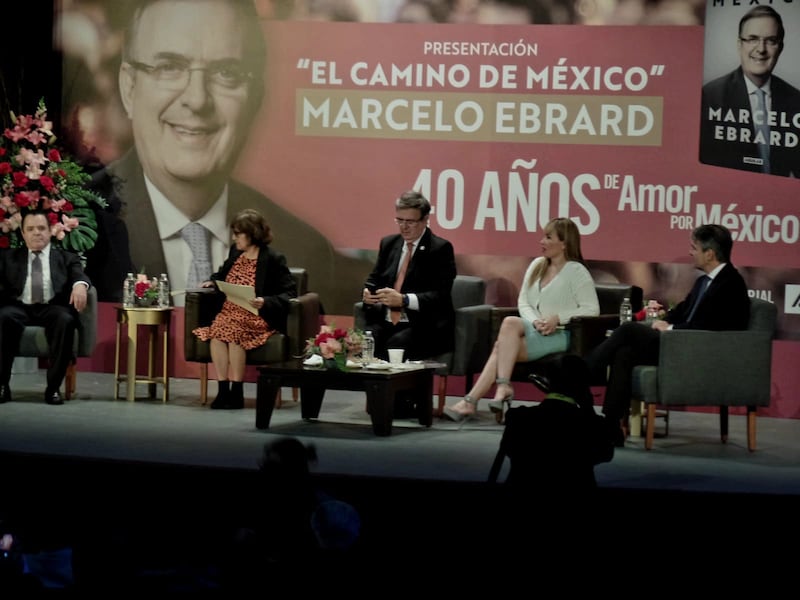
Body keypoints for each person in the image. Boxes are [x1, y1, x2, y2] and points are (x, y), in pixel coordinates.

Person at [85, 0, 371, 311]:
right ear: (128, 88)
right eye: (169, 68)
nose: (197, 100)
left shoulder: (305, 250)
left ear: (255, 100)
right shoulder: (73, 224)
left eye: (226, 72)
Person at [585, 223, 751, 444]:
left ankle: (581, 373)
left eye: (694, 248)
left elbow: (713, 328)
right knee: (624, 352)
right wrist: (663, 321)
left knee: (627, 330)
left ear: (709, 253)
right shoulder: (704, 282)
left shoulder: (731, 284)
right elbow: (681, 312)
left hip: (698, 352)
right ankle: (611, 427)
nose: (691, 253)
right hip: (679, 345)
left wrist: (671, 329)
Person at [443, 217, 599, 422]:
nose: (541, 241)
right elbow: (523, 302)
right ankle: (501, 387)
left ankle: (474, 400)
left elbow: (592, 309)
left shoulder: (577, 272)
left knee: (502, 347)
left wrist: (557, 318)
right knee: (509, 322)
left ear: (564, 243)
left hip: (560, 333)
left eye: (548, 237)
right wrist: (535, 321)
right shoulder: (537, 265)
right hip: (535, 328)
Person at [192, 209, 297, 409]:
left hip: (255, 314)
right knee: (217, 333)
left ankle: (237, 391)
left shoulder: (274, 258)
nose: (234, 238)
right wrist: (212, 282)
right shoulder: (235, 252)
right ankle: (224, 390)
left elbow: (289, 293)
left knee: (234, 332)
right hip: (230, 311)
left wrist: (265, 301)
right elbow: (221, 274)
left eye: (238, 233)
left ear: (252, 234)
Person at [0, 211, 91, 405]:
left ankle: (53, 388)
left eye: (41, 228)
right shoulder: (9, 258)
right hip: (18, 307)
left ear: (50, 231)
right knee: (3, 317)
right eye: (30, 229)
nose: (36, 233)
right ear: (23, 234)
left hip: (52, 306)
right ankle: (2, 386)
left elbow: (78, 274)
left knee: (65, 320)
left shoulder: (66, 258)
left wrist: (80, 285)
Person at [699, 6, 800, 177]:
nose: (761, 49)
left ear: (780, 47)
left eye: (771, 40)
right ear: (739, 44)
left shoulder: (797, 100)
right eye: (752, 39)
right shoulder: (710, 96)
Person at [360, 190, 456, 362]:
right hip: (386, 321)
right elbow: (374, 280)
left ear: (425, 220)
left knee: (395, 345)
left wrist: (404, 300)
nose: (404, 227)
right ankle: (373, 389)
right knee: (363, 341)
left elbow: (440, 296)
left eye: (410, 222)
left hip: (422, 325)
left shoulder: (440, 249)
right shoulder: (389, 243)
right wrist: (368, 293)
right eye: (400, 220)